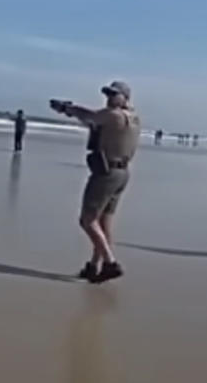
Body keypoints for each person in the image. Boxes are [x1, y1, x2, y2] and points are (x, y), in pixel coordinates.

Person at [51, 81, 141, 284]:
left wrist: (67, 108)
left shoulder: (114, 115)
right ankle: (94, 266)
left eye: (114, 95)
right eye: (108, 94)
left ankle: (110, 263)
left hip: (106, 173)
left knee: (87, 220)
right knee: (104, 222)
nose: (109, 98)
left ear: (125, 98)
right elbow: (97, 122)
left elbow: (90, 116)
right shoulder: (133, 118)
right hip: (122, 173)